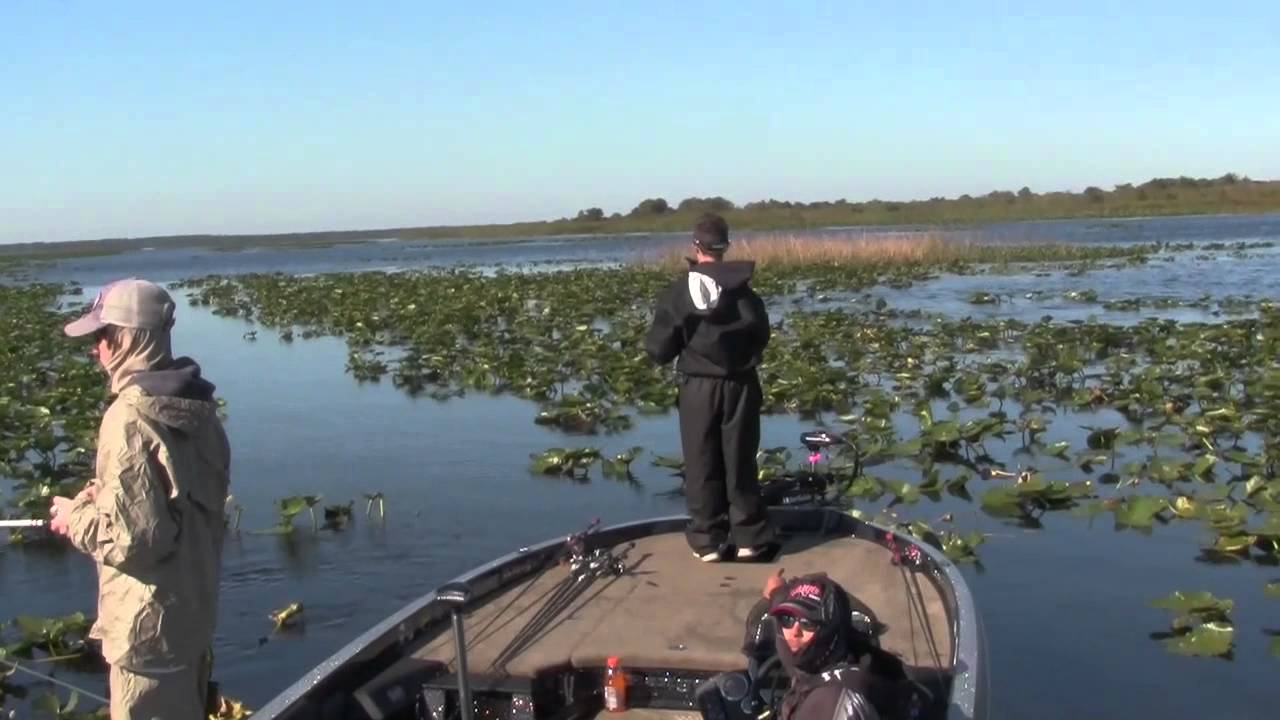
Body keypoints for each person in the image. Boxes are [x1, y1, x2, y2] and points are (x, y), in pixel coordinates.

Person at [48, 278, 231, 720]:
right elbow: (179, 500)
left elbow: (135, 541)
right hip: (192, 620)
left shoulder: (128, 417)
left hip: (148, 635)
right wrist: (102, 495)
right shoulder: (199, 408)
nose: (96, 350)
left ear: (127, 338)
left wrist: (75, 518)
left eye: (101, 336)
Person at [643, 213, 778, 562]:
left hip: (698, 389)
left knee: (701, 461)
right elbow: (761, 335)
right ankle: (748, 538)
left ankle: (708, 541)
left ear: (695, 246)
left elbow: (659, 350)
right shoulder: (745, 293)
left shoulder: (678, 294)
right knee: (740, 460)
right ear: (725, 246)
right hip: (740, 386)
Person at [758, 571, 921, 720]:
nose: (794, 632)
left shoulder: (834, 704)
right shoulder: (815, 653)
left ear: (829, 631)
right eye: (787, 619)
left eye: (808, 623)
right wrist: (776, 592)